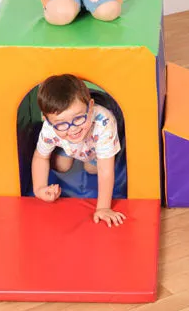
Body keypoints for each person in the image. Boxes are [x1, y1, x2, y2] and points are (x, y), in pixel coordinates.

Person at [32, 74, 126, 227]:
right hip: (74, 144)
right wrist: (39, 188)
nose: (73, 128)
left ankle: (84, 149)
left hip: (94, 144)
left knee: (92, 168)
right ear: (46, 119)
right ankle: (73, 147)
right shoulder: (50, 128)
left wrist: (103, 208)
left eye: (78, 118)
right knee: (61, 166)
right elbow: (40, 157)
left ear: (90, 109)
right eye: (61, 123)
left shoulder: (104, 124)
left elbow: (105, 170)